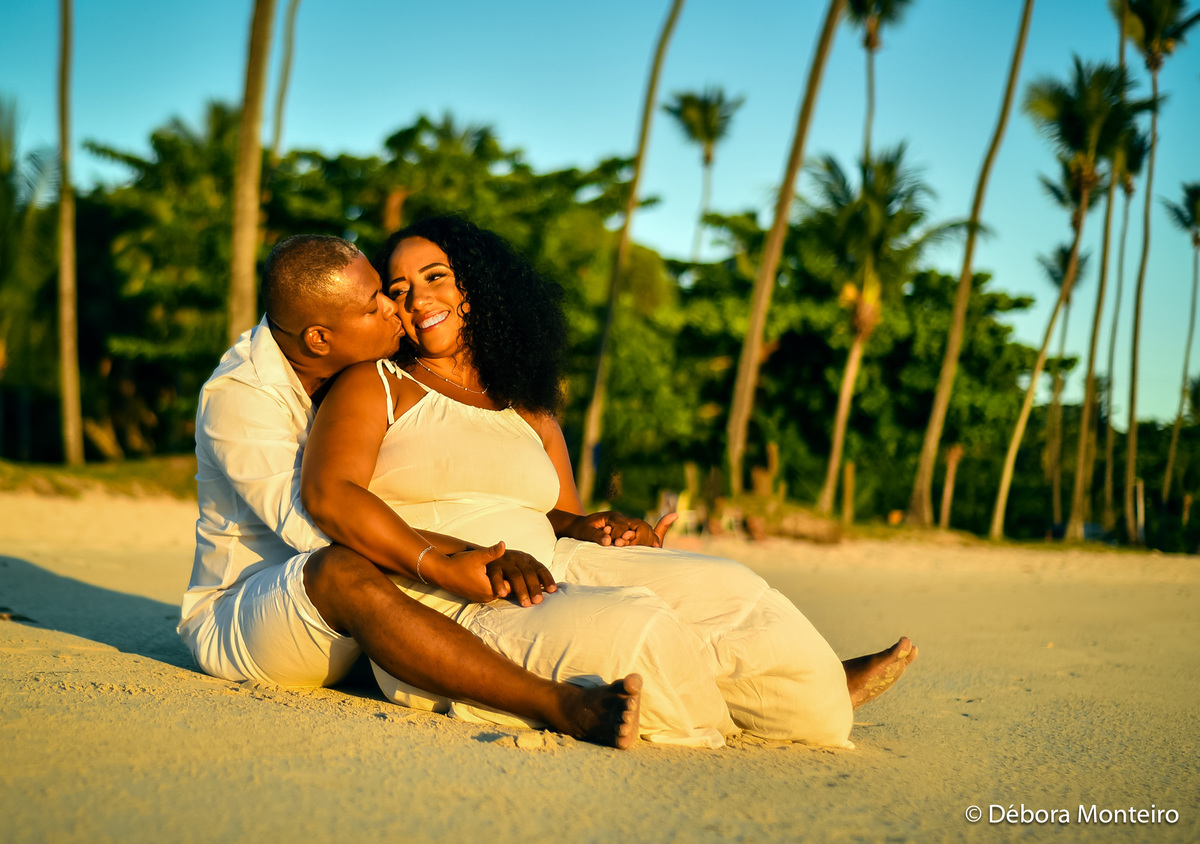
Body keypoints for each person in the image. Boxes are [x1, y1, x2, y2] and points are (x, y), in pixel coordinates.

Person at [300, 216, 917, 748]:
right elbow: (331, 494)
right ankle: (772, 702)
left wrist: (604, 528)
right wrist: (446, 559)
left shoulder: (527, 406)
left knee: (733, 589)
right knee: (639, 628)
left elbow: (560, 519)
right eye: (399, 289)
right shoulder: (376, 385)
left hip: (554, 565)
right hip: (446, 595)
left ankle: (810, 693)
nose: (416, 298)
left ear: (476, 287)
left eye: (435, 276)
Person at [178, 234, 641, 749]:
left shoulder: (361, 374)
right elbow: (318, 525)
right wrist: (454, 559)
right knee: (340, 568)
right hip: (252, 612)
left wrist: (582, 527)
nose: (395, 309)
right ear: (319, 339)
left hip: (365, 619)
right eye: (374, 304)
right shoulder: (241, 398)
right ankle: (560, 705)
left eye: (385, 292)